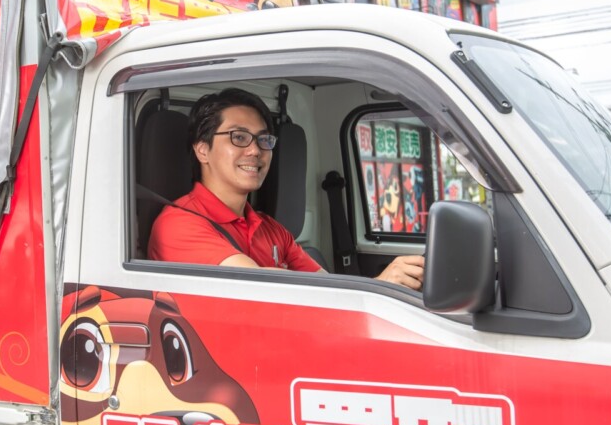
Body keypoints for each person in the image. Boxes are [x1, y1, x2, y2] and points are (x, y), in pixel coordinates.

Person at [148, 88, 426, 289]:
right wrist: (380, 285)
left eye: (263, 140)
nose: (255, 150)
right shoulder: (178, 224)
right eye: (239, 137)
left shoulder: (272, 229)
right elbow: (260, 292)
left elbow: (327, 289)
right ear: (202, 150)